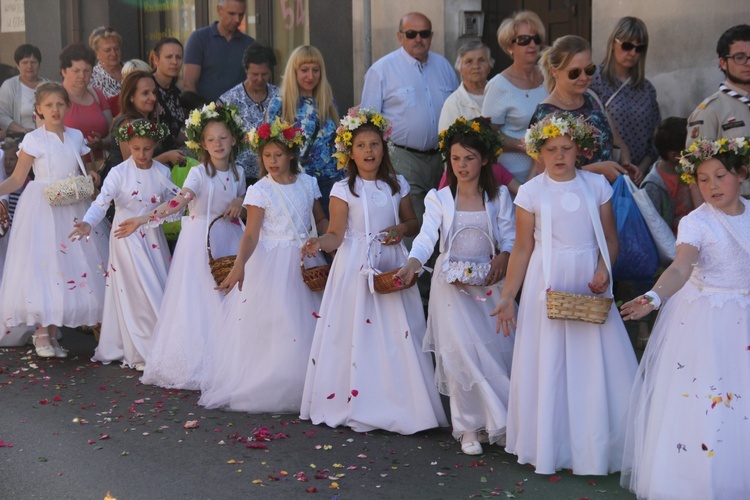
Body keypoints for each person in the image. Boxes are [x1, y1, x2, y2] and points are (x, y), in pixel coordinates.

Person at [492, 112, 638, 475]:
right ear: (538, 152)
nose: (559, 156)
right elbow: (523, 248)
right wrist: (509, 296)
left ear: (579, 150)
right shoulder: (530, 192)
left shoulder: (595, 186)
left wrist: (604, 270)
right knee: (551, 362)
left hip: (587, 276)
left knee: (593, 362)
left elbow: (610, 238)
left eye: (566, 148)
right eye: (551, 149)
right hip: (548, 280)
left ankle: (595, 444)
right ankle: (551, 443)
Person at [300, 108, 447, 434]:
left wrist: (399, 229)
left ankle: (401, 401)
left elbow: (413, 223)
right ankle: (355, 399)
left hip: (390, 261)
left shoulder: (398, 184)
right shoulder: (342, 190)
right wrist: (319, 242)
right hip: (355, 265)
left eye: (375, 145)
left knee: (397, 332)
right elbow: (336, 233)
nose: (369, 151)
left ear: (384, 148)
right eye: (362, 146)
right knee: (357, 332)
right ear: (350, 152)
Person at [619, 137, 750, 499]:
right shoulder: (696, 223)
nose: (711, 186)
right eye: (702, 179)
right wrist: (654, 295)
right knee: (710, 398)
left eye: (720, 176)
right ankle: (699, 480)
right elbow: (680, 268)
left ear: (740, 174)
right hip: (709, 322)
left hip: (745, 317)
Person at [395, 117, 516, 455]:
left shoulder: (499, 196)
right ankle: (467, 428)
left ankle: (500, 420)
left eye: (470, 158)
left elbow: (509, 237)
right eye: (456, 158)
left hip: (489, 286)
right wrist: (412, 264)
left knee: (491, 354)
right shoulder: (439, 199)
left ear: (486, 160)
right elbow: (425, 239)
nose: (462, 165)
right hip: (451, 288)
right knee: (461, 354)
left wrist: (504, 257)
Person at [114, 104, 245, 389]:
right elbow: (179, 202)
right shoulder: (199, 173)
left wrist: (240, 203)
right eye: (211, 140)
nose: (218, 144)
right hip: (201, 239)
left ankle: (230, 360)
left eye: (223, 138)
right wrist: (143, 218)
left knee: (229, 299)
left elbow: (243, 197)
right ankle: (201, 363)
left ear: (233, 139)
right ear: (202, 144)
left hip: (229, 238)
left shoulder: (239, 172)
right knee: (201, 299)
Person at [199, 118, 327, 412]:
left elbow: (318, 219)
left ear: (292, 155)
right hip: (271, 262)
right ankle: (274, 382)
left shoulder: (308, 183)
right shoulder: (260, 190)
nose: (272, 161)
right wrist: (240, 264)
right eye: (266, 155)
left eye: (278, 155)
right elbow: (251, 232)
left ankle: (305, 383)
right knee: (278, 321)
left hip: (305, 257)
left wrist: (323, 238)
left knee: (306, 323)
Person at [0, 82, 108, 358]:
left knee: (68, 266)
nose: (55, 109)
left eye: (60, 104)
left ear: (68, 106)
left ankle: (55, 330)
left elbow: (89, 166)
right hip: (42, 207)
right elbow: (17, 178)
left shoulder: (75, 136)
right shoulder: (34, 139)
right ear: (38, 109)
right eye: (48, 105)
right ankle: (41, 333)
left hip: (72, 203)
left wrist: (94, 175)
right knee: (43, 265)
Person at [70, 119, 178, 372]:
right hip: (125, 239)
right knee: (136, 291)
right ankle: (142, 350)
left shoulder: (162, 173)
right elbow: (101, 202)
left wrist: (159, 215)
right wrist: (87, 223)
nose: (142, 154)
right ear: (128, 144)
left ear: (155, 145)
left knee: (155, 286)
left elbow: (174, 204)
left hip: (152, 238)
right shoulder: (118, 173)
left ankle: (162, 345)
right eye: (136, 148)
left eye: (148, 149)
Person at [360, 12, 458, 229]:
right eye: (411, 34)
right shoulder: (382, 70)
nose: (418, 39)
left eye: (424, 33)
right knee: (415, 221)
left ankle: (438, 264)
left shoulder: (444, 67)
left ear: (431, 36)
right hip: (404, 158)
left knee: (444, 219)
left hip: (443, 158)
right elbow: (368, 124)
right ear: (400, 36)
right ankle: (417, 264)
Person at [533, 35, 635, 183]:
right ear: (555, 72)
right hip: (574, 201)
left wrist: (625, 166)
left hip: (607, 196)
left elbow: (618, 142)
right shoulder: (546, 114)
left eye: (589, 69)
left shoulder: (592, 98)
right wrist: (598, 170)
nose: (584, 77)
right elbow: (546, 176)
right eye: (574, 73)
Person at [267, 45, 339, 216]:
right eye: (304, 70)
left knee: (329, 236)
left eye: (316, 70)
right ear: (294, 71)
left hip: (328, 181)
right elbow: (269, 144)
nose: (310, 76)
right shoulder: (280, 102)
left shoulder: (328, 101)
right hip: (295, 181)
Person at [482, 11, 549, 182]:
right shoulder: (499, 85)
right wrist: (524, 145)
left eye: (536, 39)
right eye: (524, 40)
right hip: (510, 179)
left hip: (547, 173)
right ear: (509, 47)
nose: (532, 44)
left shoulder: (548, 77)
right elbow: (488, 134)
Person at [590, 17, 661, 177]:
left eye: (639, 48)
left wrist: (641, 169)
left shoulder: (647, 89)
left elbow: (655, 138)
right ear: (613, 43)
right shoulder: (596, 80)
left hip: (637, 175)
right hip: (602, 174)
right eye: (627, 46)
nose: (632, 53)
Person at [687, 24, 750, 196]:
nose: (748, 63)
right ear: (723, 62)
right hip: (737, 207)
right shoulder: (710, 111)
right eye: (739, 57)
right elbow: (695, 174)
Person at [219, 43, 278, 186]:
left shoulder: (279, 97)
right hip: (240, 176)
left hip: (274, 172)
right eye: (255, 74)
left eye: (264, 74)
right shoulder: (229, 99)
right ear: (246, 70)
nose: (259, 79)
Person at [108, 71, 186, 168]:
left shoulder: (148, 119)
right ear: (131, 97)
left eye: (154, 92)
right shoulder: (127, 124)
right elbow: (133, 166)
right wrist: (167, 157)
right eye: (145, 93)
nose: (153, 98)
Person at [183, 0, 255, 103]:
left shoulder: (250, 44)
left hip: (240, 112)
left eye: (241, 15)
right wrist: (201, 114)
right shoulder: (199, 39)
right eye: (232, 13)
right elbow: (189, 84)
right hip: (206, 111)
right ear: (219, 10)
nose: (237, 20)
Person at [641, 117, 700, 234]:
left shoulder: (693, 169)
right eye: (690, 148)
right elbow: (654, 230)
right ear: (674, 156)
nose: (696, 150)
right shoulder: (653, 186)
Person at [59, 43, 113, 164]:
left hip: (100, 167)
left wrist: (101, 143)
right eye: (76, 71)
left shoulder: (97, 95)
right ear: (63, 71)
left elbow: (113, 133)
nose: (82, 76)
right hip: (68, 169)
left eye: (87, 71)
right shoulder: (53, 98)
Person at [438, 41, 494, 132]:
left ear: (489, 66)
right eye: (469, 62)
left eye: (481, 60)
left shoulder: (501, 95)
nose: (476, 66)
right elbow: (446, 142)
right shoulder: (453, 104)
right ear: (460, 68)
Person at [0, 44, 46, 135]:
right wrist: (23, 130)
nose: (29, 66)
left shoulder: (49, 87)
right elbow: (2, 115)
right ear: (18, 65)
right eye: (25, 62)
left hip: (46, 139)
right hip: (20, 140)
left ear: (39, 64)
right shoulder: (9, 86)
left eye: (33, 62)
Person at [150, 38, 185, 154]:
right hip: (150, 158)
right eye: (169, 57)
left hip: (175, 160)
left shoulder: (176, 93)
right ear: (156, 59)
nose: (174, 62)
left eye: (178, 57)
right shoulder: (146, 87)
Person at [89, 26, 124, 111]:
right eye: (108, 50)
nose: (113, 54)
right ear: (96, 53)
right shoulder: (91, 79)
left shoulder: (133, 70)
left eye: (116, 49)